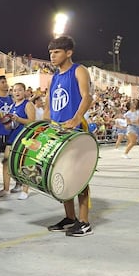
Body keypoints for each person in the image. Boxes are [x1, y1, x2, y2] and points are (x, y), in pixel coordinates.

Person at [44, 35, 93, 237]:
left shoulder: (78, 70)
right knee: (62, 175)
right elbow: (48, 105)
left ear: (68, 53)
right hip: (57, 132)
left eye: (56, 52)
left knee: (80, 177)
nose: (52, 56)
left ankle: (84, 221)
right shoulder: (54, 77)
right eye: (51, 53)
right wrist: (44, 126)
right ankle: (70, 217)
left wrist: (76, 118)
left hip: (75, 132)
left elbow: (87, 96)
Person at [7, 82, 36, 200]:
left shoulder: (27, 104)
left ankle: (25, 190)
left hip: (25, 137)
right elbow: (10, 124)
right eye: (14, 90)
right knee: (10, 162)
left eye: (19, 90)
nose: (17, 92)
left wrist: (18, 119)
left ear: (24, 92)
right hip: (13, 136)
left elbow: (32, 121)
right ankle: (18, 183)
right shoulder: (12, 105)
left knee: (24, 163)